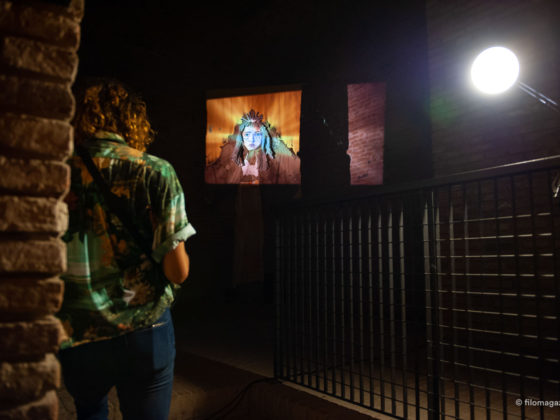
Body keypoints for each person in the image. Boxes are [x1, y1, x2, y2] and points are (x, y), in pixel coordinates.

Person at [56, 80, 195, 420]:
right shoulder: (156, 172)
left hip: (80, 330)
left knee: (90, 411)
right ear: (133, 122)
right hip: (145, 330)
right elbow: (177, 272)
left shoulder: (58, 175)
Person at [205, 109, 300, 184]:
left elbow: (294, 171)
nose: (252, 139)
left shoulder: (273, 151)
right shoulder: (231, 151)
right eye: (247, 134)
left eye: (257, 134)